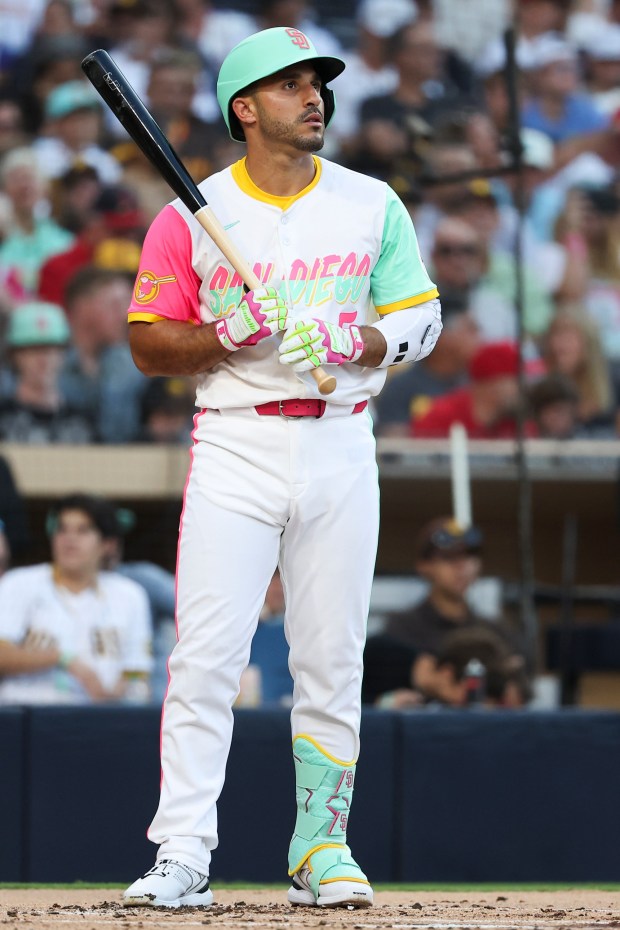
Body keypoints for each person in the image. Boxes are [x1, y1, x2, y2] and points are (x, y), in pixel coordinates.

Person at [121, 25, 442, 911]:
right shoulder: (190, 215)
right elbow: (149, 345)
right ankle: (183, 848)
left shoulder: (371, 201)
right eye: (291, 84)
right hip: (234, 440)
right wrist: (225, 334)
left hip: (342, 436)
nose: (315, 97)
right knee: (206, 658)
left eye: (319, 83)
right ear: (244, 107)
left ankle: (322, 843)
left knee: (332, 659)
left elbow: (423, 318)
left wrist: (357, 336)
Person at [0, 493, 153, 705]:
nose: (69, 539)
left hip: (101, 720)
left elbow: (137, 671)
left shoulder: (130, 595)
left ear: (107, 544)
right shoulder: (19, 583)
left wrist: (115, 697)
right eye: (62, 529)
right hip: (27, 718)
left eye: (83, 530)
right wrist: (63, 659)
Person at [362, 624, 531, 709]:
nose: (465, 705)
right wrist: (380, 703)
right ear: (447, 673)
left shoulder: (435, 703)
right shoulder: (380, 652)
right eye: (467, 696)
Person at [0, 300, 97, 443]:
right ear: (14, 356)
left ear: (64, 354)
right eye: (34, 350)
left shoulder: (82, 420)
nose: (44, 360)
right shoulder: (3, 418)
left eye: (52, 350)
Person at [412, 341, 537, 439]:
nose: (522, 387)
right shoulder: (442, 417)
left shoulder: (517, 422)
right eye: (515, 380)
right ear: (492, 383)